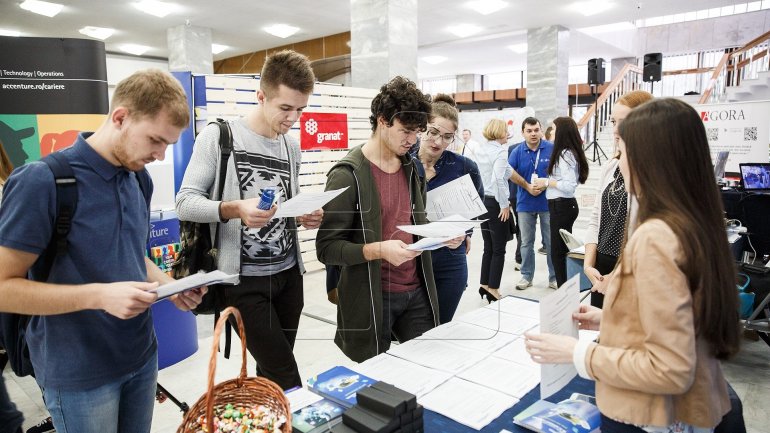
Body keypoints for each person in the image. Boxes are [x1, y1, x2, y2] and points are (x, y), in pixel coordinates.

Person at [0, 69, 205, 433]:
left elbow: (130, 255)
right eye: (156, 140)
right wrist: (98, 296)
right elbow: (4, 287)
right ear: (120, 117)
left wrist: (170, 287)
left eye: (168, 145)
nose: (160, 156)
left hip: (141, 356)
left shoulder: (136, 178)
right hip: (79, 373)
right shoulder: (42, 181)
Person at [524, 98, 741, 432]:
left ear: (647, 159)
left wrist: (577, 353)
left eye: (622, 150)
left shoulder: (656, 237)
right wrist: (612, 318)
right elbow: (680, 319)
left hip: (652, 415)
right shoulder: (695, 221)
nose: (618, 159)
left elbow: (669, 367)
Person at [176, 50, 323, 390]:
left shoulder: (292, 147)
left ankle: (266, 421)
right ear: (261, 96)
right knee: (287, 377)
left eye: (301, 109)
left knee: (271, 371)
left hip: (288, 278)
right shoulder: (220, 137)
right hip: (243, 283)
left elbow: (284, 209)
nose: (293, 118)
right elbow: (185, 203)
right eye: (285, 108)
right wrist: (234, 208)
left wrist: (303, 215)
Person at [315, 76, 439, 362]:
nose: (412, 140)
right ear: (383, 121)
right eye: (405, 131)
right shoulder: (347, 175)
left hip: (416, 291)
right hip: (371, 297)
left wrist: (444, 235)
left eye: (417, 132)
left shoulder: (412, 169)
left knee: (427, 368)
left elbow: (415, 224)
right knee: (375, 385)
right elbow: (327, 249)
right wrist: (378, 250)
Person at [412, 94, 484, 322]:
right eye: (433, 132)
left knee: (441, 326)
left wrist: (466, 232)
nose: (438, 142)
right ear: (422, 128)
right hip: (411, 258)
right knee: (412, 331)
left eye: (447, 137)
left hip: (450, 260)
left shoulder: (464, 167)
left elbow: (474, 209)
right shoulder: (403, 164)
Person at [583, 90, 652, 308]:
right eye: (614, 121)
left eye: (624, 122)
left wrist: (617, 275)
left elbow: (644, 235)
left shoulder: (653, 173)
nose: (615, 129)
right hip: (602, 263)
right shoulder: (611, 166)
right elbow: (596, 217)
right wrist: (588, 265)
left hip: (634, 269)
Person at [533, 116, 588, 287]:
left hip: (562, 206)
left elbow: (569, 185)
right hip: (561, 205)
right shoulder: (566, 152)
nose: (551, 132)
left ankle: (565, 293)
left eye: (554, 128)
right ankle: (566, 291)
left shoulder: (565, 154)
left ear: (562, 131)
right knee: (559, 251)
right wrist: (546, 185)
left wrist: (547, 182)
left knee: (557, 253)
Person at [508, 117, 556, 290]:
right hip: (525, 203)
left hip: (548, 203)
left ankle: (554, 277)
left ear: (541, 130)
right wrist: (527, 186)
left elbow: (559, 172)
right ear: (523, 133)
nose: (533, 134)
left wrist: (545, 183)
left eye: (536, 130)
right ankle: (526, 276)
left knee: (551, 242)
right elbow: (509, 172)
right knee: (526, 242)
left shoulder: (551, 148)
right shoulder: (517, 151)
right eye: (529, 131)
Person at [476, 119, 513, 302]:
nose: (508, 133)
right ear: (499, 132)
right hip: (496, 203)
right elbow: (499, 180)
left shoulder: (481, 150)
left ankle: (484, 284)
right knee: (499, 249)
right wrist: (504, 204)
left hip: (482, 202)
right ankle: (494, 289)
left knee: (488, 247)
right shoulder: (500, 152)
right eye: (506, 130)